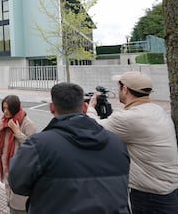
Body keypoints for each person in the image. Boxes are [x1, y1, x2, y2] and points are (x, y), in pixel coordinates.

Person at [8, 82, 130, 214]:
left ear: (51, 107)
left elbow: (17, 184)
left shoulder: (38, 145)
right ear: (84, 107)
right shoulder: (117, 142)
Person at [87, 71, 178, 213]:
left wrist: (91, 108)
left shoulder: (130, 118)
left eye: (119, 86)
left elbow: (93, 130)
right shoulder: (157, 110)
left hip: (150, 198)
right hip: (170, 193)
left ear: (125, 89)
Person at [0, 95, 36, 214]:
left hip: (21, 171)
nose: (5, 112)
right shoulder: (5, 121)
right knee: (10, 198)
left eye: (8, 109)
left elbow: (33, 148)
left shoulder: (27, 124)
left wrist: (17, 132)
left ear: (15, 108)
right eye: (4, 108)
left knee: (19, 206)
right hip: (8, 167)